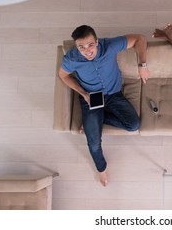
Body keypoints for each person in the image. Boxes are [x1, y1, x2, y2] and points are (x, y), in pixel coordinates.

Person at [59, 25, 149, 186]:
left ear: (97, 42)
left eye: (90, 45)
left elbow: (140, 38)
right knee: (93, 142)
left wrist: (143, 65)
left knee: (133, 125)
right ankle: (101, 170)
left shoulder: (109, 46)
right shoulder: (71, 59)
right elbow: (63, 76)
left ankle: (92, 122)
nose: (87, 51)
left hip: (114, 94)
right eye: (81, 47)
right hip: (91, 97)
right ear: (77, 47)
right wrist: (83, 93)